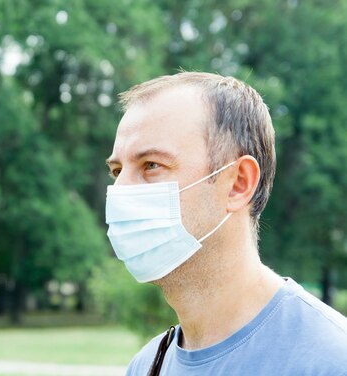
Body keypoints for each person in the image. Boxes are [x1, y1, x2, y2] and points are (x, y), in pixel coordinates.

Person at [104, 72, 347, 375]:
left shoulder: (331, 360)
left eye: (151, 165)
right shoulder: (147, 365)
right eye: (116, 171)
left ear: (238, 184)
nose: (120, 191)